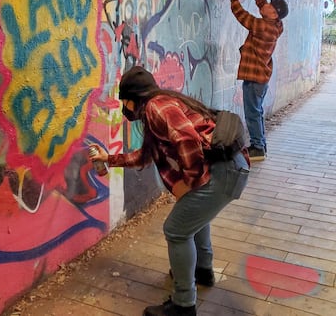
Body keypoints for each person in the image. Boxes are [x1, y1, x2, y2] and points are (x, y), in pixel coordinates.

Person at [89, 66, 250, 316]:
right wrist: (109, 159)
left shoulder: (156, 107)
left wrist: (191, 180)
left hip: (224, 172)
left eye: (125, 102)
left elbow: (186, 140)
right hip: (231, 169)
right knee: (193, 216)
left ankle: (183, 305)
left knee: (175, 230)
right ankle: (202, 270)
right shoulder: (163, 103)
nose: (125, 109)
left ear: (133, 99)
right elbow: (145, 156)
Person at [217, 0, 288, 162]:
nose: (265, 6)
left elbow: (241, 15)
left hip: (255, 78)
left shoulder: (265, 27)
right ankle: (261, 145)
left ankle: (257, 147)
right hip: (260, 77)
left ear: (274, 15)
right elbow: (261, 2)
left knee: (252, 112)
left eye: (270, 7)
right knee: (256, 111)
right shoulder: (275, 24)